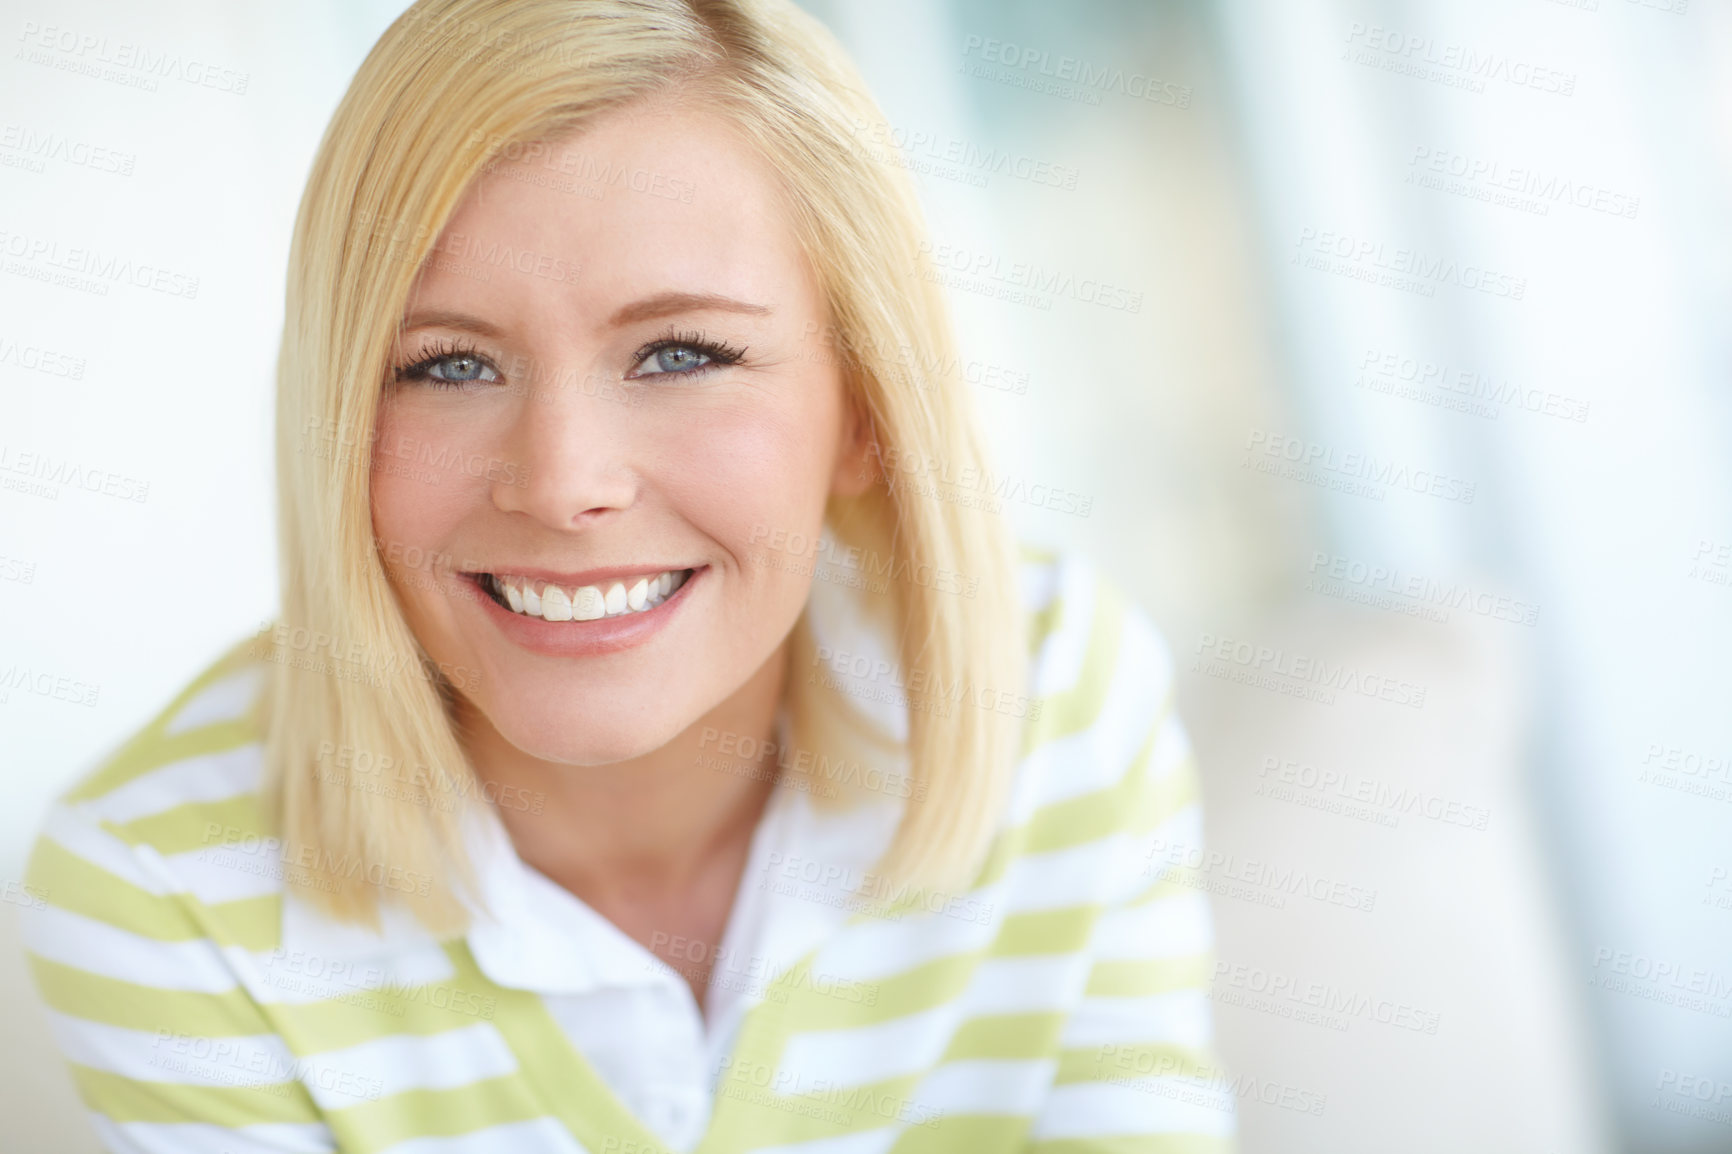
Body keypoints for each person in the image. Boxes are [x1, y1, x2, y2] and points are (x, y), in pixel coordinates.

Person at [21, 0, 1234, 1150]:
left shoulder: (1055, 685)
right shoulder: (161, 888)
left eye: (680, 352)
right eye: (446, 366)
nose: (560, 483)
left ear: (865, 409)